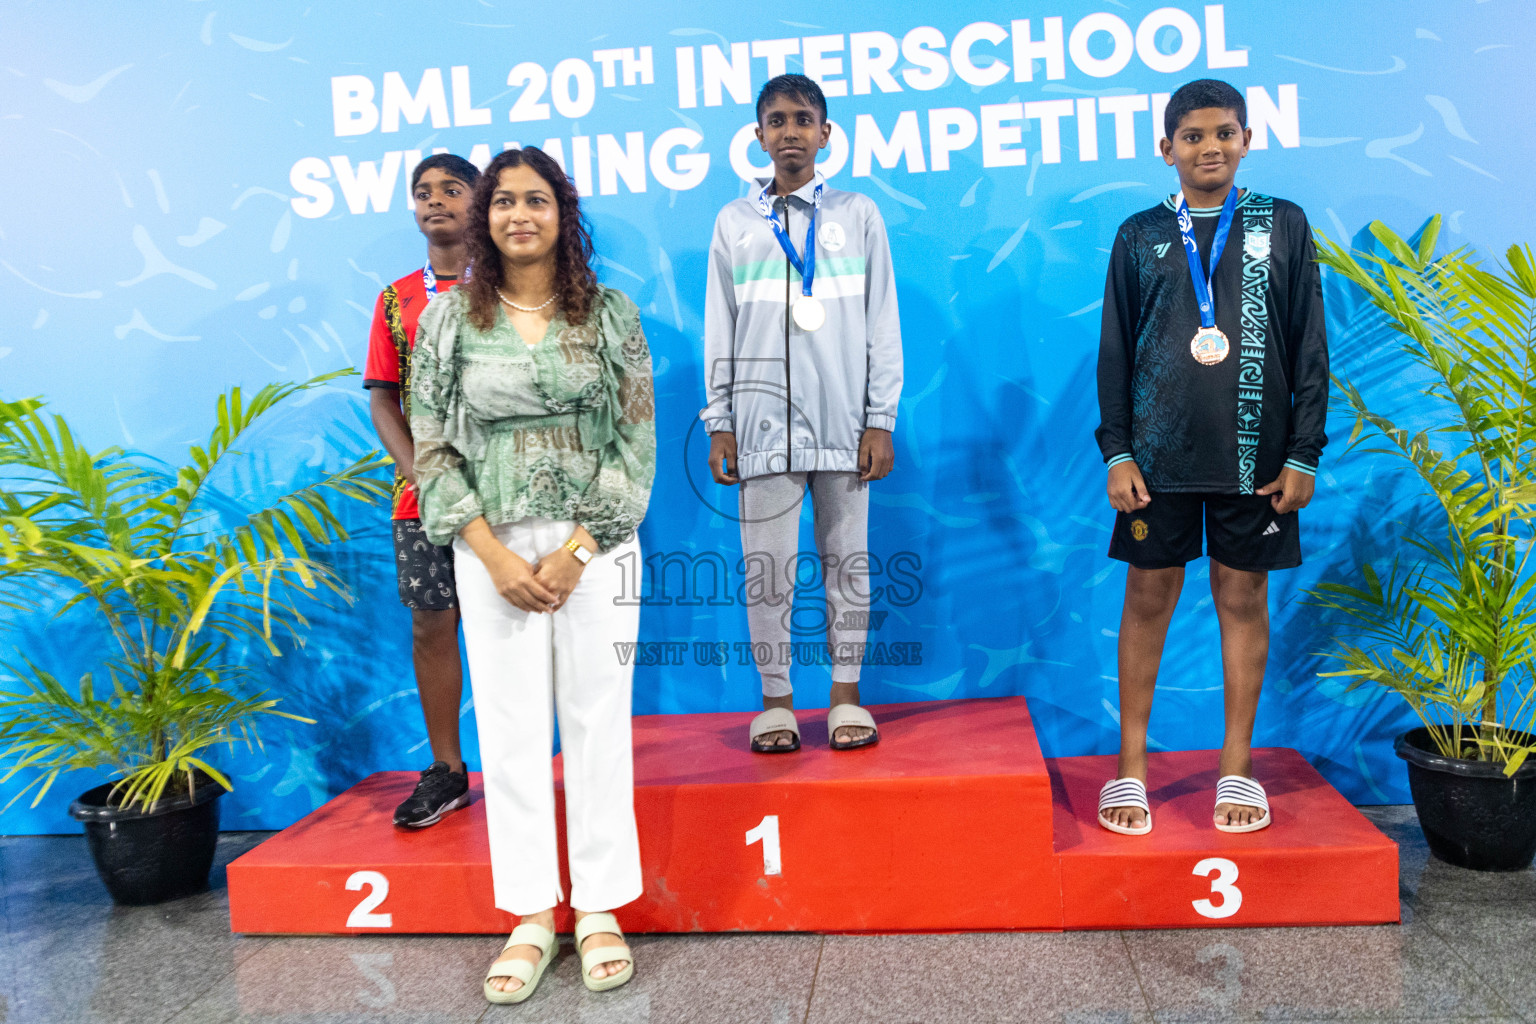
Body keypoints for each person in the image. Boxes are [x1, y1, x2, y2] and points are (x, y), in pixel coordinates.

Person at [410, 146, 654, 1004]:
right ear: (487, 216)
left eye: (538, 200)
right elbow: (433, 450)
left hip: (600, 547)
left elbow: (636, 446)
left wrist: (577, 551)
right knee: (512, 734)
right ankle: (530, 916)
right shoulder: (446, 323)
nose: (521, 214)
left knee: (598, 724)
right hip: (492, 552)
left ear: (564, 214)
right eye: (506, 201)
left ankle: (597, 911)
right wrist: (496, 552)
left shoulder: (613, 315)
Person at [1094, 79, 1328, 835]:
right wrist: (1117, 452)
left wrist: (1303, 453)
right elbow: (1115, 354)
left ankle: (1237, 765)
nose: (1209, 148)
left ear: (1247, 139)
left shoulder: (1281, 225)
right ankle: (1130, 767)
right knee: (1148, 601)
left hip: (1255, 461)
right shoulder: (1138, 235)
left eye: (1224, 133)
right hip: (1156, 464)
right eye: (1192, 137)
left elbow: (1309, 346)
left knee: (1242, 600)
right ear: (1166, 149)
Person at [702, 74, 903, 754]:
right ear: (757, 137)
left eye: (803, 119)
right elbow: (719, 327)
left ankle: (845, 697)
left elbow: (883, 324)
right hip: (759, 428)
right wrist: (719, 419)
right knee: (767, 570)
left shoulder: (859, 215)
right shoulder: (735, 222)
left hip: (845, 426)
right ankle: (777, 702)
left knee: (849, 563)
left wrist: (881, 418)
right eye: (777, 120)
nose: (790, 131)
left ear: (825, 134)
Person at [362, 153, 480, 828]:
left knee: (512, 627)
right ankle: (446, 769)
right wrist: (421, 470)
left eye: (451, 189)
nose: (435, 201)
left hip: (506, 494)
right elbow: (383, 398)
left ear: (479, 200)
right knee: (432, 623)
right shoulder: (394, 300)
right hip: (423, 498)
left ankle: (528, 761)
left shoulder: (508, 287)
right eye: (423, 192)